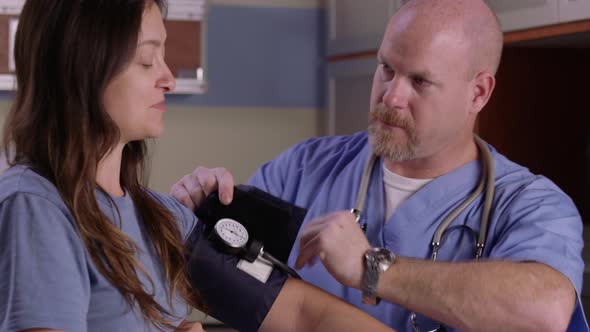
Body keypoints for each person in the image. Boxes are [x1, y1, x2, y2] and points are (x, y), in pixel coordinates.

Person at [171, 0, 588, 331]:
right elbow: (212, 269)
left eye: (419, 81)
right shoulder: (305, 169)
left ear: (478, 93)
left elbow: (545, 312)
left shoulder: (530, 205)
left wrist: (375, 271)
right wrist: (191, 212)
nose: (390, 96)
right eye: (386, 68)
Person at [0, 1, 396, 332]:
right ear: (82, 66)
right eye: (145, 60)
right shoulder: (36, 207)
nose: (168, 78)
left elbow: (302, 314)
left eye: (164, 56)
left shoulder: (163, 219)